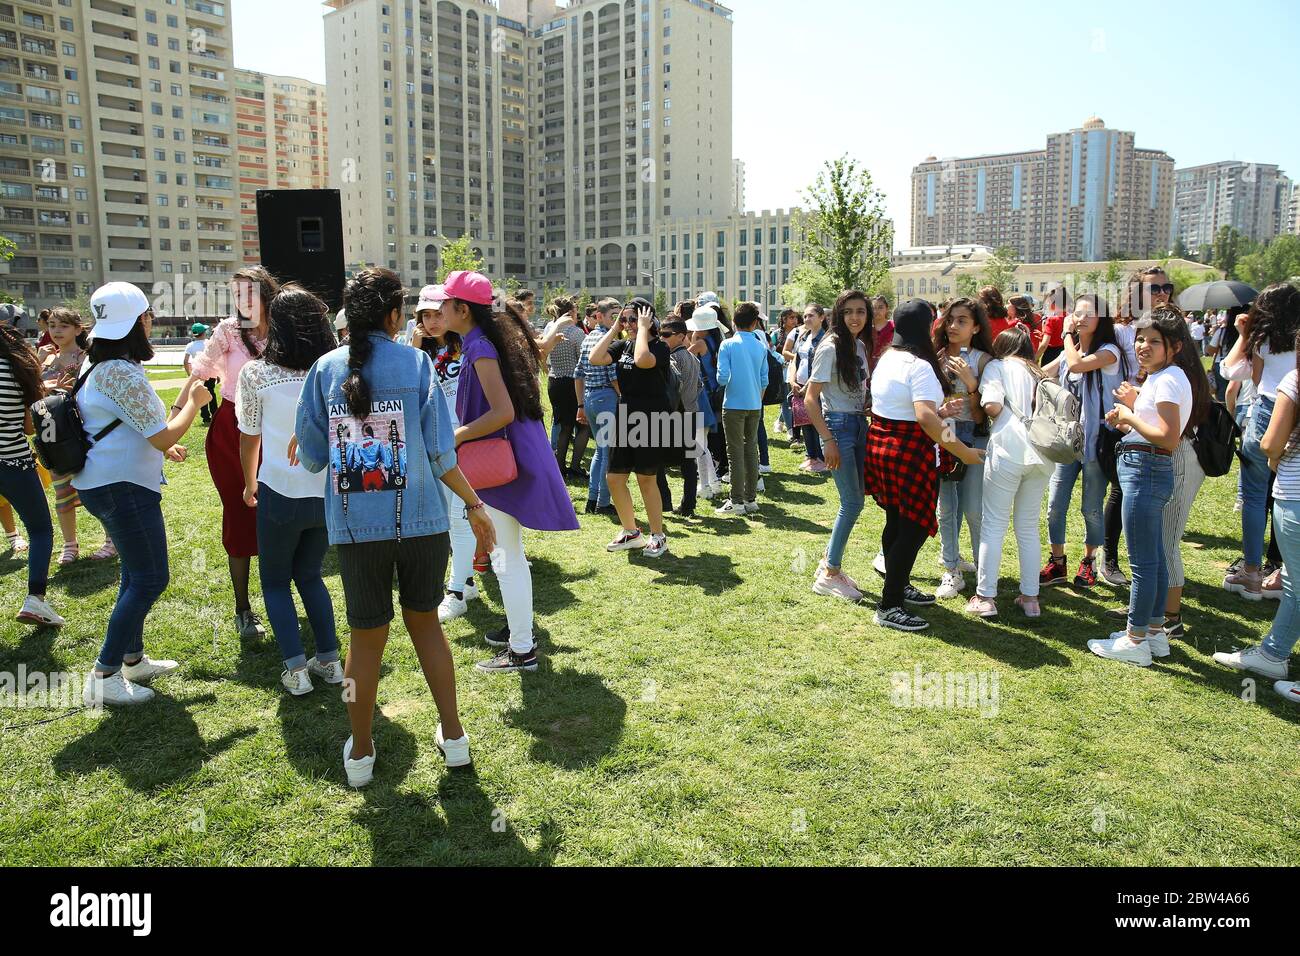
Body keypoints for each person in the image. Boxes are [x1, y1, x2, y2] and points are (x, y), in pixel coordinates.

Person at [296, 268, 494, 785]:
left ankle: (361, 751)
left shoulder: (323, 370)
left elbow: (314, 457)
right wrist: (475, 505)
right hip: (424, 523)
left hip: (356, 529)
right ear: (393, 315)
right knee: (426, 625)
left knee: (364, 643)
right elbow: (440, 451)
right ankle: (454, 738)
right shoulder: (417, 365)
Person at [76, 283, 210, 705]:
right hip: (122, 488)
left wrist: (185, 393)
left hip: (108, 483)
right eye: (148, 315)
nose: (151, 321)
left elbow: (146, 427)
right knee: (151, 577)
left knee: (135, 575)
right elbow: (161, 434)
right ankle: (105, 672)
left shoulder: (98, 364)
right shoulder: (118, 370)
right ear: (138, 321)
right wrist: (196, 401)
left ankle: (132, 659)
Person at [441, 270, 580, 672]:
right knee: (507, 557)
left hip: (497, 469)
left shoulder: (480, 348)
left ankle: (521, 649)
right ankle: (520, 634)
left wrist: (457, 435)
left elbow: (501, 412)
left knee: (506, 558)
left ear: (462, 309)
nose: (438, 309)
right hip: (508, 462)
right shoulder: (485, 342)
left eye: (446, 303)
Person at [237, 285, 340, 697]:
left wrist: (249, 483)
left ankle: (296, 670)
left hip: (279, 490)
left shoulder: (257, 372)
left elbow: (249, 436)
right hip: (326, 491)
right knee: (311, 575)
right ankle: (330, 660)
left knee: (276, 581)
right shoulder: (335, 370)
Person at [1089, 307, 1207, 667]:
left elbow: (1169, 438)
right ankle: (1154, 632)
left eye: (1154, 341)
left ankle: (1135, 638)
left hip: (1147, 469)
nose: (1143, 346)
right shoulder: (1163, 376)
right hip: (1147, 467)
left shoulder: (1169, 379)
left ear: (1174, 346)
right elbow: (1156, 428)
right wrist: (1131, 421)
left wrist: (1128, 415)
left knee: (1143, 562)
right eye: (1140, 339)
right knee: (1153, 559)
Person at [865, 299, 984, 632]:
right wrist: (962, 450)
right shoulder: (919, 365)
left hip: (884, 449)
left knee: (896, 522)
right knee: (913, 529)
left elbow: (909, 409)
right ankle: (889, 606)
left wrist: (940, 413)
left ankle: (897, 584)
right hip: (909, 453)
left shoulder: (887, 357)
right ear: (926, 326)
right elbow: (924, 417)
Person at [188, 265, 279, 639]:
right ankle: (243, 608)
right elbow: (201, 375)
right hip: (231, 428)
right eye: (236, 294)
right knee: (241, 512)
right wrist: (177, 417)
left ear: (267, 296)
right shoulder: (227, 331)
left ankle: (279, 599)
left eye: (249, 293)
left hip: (276, 429)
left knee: (278, 514)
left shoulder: (285, 331)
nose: (241, 301)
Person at [1214, 324, 1300, 701]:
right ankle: (1274, 651)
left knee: (1297, 583)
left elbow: (1271, 441)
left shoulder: (1295, 380)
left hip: (1295, 491)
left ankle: (1272, 652)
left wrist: (1277, 456)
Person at [967, 326, 1057, 618]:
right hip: (1042, 453)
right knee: (1028, 527)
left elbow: (991, 406)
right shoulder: (1039, 372)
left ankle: (985, 597)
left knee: (993, 524)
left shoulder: (997, 366)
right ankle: (1030, 598)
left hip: (1008, 449)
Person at [1040, 293, 1124, 589]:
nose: (1081, 318)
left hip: (1097, 441)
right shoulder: (1070, 351)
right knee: (1055, 504)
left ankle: (1089, 561)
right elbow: (1040, 374)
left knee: (1090, 506)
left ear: (1102, 319)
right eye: (1077, 313)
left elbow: (1075, 366)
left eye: (1089, 313)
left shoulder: (1109, 352)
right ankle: (1057, 561)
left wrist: (1063, 333)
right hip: (1067, 441)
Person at [1222, 284, 1300, 600]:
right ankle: (1285, 571)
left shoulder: (1261, 341)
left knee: (1254, 496)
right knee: (1290, 495)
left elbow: (1231, 371)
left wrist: (1244, 333)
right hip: (1295, 412)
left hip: (1267, 410)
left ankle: (1252, 571)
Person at [1099, 268, 1173, 586]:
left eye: (1166, 287)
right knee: (1120, 490)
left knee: (1152, 495)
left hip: (1161, 420)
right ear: (1135, 293)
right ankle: (1111, 559)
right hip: (1124, 420)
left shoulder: (1175, 332)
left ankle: (1153, 563)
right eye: (1154, 288)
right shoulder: (1120, 331)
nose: (1162, 293)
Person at [410, 285, 480, 623]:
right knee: (447, 519)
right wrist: (413, 348)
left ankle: (455, 592)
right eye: (426, 315)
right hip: (432, 442)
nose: (433, 321)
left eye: (439, 313)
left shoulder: (468, 348)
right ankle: (465, 581)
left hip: (465, 439)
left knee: (460, 515)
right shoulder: (417, 354)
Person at [589, 298, 679, 554]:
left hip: (651, 418)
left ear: (647, 319)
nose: (627, 324)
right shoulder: (623, 344)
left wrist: (642, 329)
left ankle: (658, 535)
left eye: (631, 318)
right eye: (624, 318)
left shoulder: (659, 347)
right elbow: (596, 358)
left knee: (645, 479)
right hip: (625, 416)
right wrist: (615, 328)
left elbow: (642, 360)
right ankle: (631, 532)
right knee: (614, 478)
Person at [806, 290, 871, 600]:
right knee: (852, 502)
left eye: (860, 311)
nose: (855, 317)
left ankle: (828, 564)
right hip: (839, 428)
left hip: (859, 425)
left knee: (855, 501)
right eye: (848, 312)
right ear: (838, 315)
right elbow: (810, 398)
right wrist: (828, 440)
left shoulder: (857, 346)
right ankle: (830, 573)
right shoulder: (829, 347)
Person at [40, 307, 116, 564]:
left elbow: (93, 391)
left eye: (63, 326)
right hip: (53, 434)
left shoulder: (86, 357)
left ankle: (111, 539)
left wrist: (66, 388)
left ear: (77, 329)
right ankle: (69, 545)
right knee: (62, 491)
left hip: (80, 432)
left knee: (96, 487)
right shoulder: (46, 358)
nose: (56, 331)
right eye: (52, 325)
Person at [0, 322, 61, 628]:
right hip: (12, 463)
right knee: (39, 530)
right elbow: (27, 428)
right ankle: (35, 599)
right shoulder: (16, 371)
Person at [933, 297, 993, 599]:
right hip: (943, 436)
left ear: (976, 327)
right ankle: (952, 569)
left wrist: (971, 385)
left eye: (962, 321)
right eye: (951, 319)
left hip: (975, 437)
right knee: (946, 508)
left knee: (972, 508)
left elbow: (985, 416)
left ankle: (985, 571)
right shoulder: (937, 356)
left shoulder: (983, 360)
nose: (954, 326)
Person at [714, 301, 770, 517]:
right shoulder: (760, 346)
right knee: (750, 449)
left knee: (735, 453)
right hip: (754, 404)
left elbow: (722, 378)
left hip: (733, 405)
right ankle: (750, 499)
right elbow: (764, 379)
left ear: (734, 323)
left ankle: (736, 501)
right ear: (755, 323)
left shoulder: (727, 345)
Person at [575, 297, 621, 514]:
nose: (618, 321)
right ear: (600, 316)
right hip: (607, 397)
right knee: (607, 453)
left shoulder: (589, 337)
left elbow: (578, 374)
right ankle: (603, 502)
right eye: (615, 316)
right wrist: (625, 396)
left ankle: (593, 500)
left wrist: (581, 404)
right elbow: (613, 375)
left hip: (591, 397)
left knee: (600, 452)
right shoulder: (607, 340)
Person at [539, 296, 590, 481]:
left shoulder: (549, 329)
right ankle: (575, 466)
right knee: (583, 426)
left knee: (563, 426)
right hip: (573, 383)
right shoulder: (576, 333)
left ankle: (559, 466)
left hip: (555, 381)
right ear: (570, 313)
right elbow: (584, 360)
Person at [662, 318, 704, 518]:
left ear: (681, 336)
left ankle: (664, 502)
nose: (662, 338)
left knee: (656, 460)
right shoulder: (693, 358)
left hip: (675, 414)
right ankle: (688, 504)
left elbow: (671, 388)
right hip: (691, 411)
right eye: (660, 333)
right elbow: (699, 386)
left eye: (666, 335)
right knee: (688, 462)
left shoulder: (673, 359)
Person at [788, 304, 828, 472]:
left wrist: (809, 385)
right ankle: (811, 455)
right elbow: (796, 360)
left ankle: (821, 457)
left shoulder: (825, 339)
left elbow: (822, 366)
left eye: (811, 315)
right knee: (804, 420)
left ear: (821, 317)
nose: (807, 319)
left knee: (816, 421)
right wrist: (792, 381)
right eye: (805, 316)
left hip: (815, 387)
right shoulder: (803, 336)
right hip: (800, 385)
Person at [184, 323, 218, 425]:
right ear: (203, 333)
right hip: (210, 372)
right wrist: (218, 374)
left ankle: (205, 417)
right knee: (211, 392)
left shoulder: (190, 345)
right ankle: (215, 414)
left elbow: (185, 361)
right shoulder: (208, 343)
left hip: (197, 373)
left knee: (200, 393)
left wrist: (189, 374)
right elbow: (215, 359)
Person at [1038, 284, 1070, 366]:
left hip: (1051, 355)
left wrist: (1035, 358)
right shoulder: (1070, 318)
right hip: (1066, 354)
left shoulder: (1052, 319)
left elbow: (1044, 345)